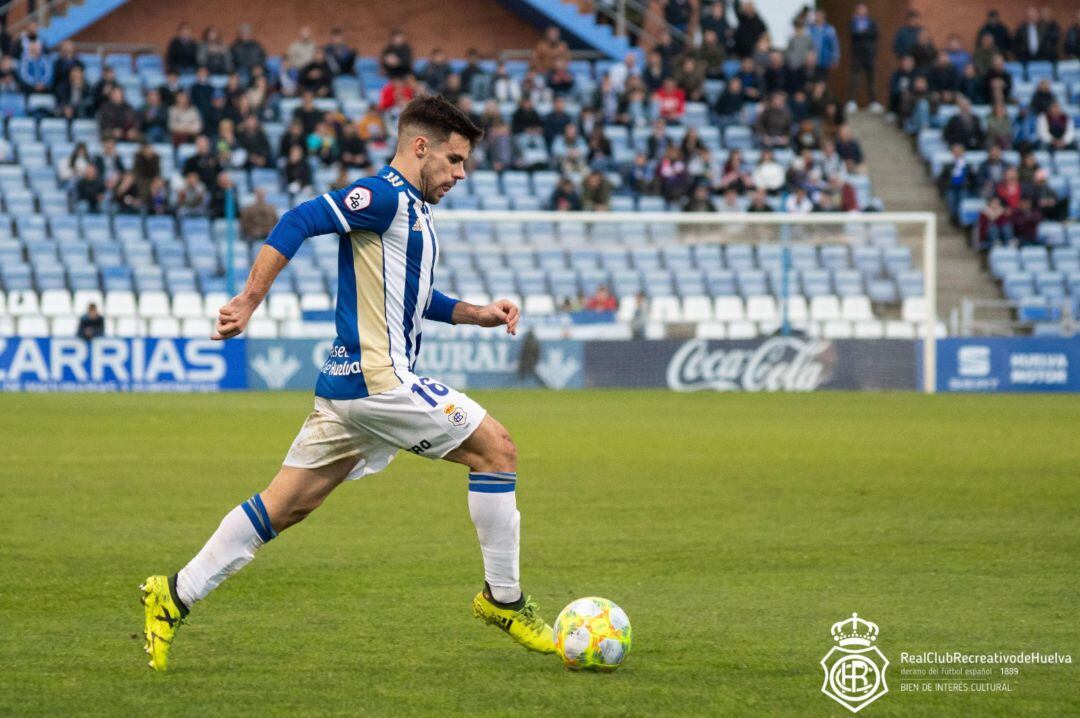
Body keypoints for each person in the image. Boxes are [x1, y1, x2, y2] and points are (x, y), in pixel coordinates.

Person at [140, 95, 554, 671]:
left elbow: (412, 297)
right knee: (498, 452)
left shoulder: (413, 211)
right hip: (380, 384)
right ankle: (503, 601)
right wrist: (250, 300)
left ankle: (174, 594)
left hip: (346, 393)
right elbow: (299, 219)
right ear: (420, 147)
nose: (461, 174)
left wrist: (478, 312)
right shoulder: (382, 196)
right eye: (455, 160)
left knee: (284, 506)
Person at [847, 3, 879, 113]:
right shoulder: (853, 23)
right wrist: (865, 33)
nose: (861, 11)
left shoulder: (871, 22)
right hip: (857, 55)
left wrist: (862, 33)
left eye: (863, 9)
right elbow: (853, 34)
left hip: (869, 54)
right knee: (855, 78)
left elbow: (875, 34)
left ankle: (873, 102)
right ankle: (852, 101)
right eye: (859, 9)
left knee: (871, 79)